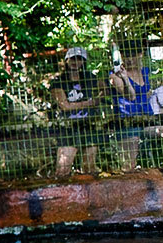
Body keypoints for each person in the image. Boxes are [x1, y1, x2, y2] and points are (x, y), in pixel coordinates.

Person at [50, 46, 102, 177]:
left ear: (84, 62)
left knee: (89, 168)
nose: (75, 62)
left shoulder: (91, 78)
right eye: (73, 59)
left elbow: (103, 92)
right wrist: (89, 103)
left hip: (89, 125)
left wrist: (98, 100)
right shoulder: (58, 82)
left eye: (79, 59)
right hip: (68, 127)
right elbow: (65, 106)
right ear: (66, 60)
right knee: (63, 169)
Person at [109, 39, 156, 171]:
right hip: (127, 123)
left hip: (148, 120)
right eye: (127, 55)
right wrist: (125, 78)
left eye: (133, 55)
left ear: (140, 54)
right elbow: (131, 96)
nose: (130, 59)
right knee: (129, 164)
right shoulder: (114, 75)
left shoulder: (146, 72)